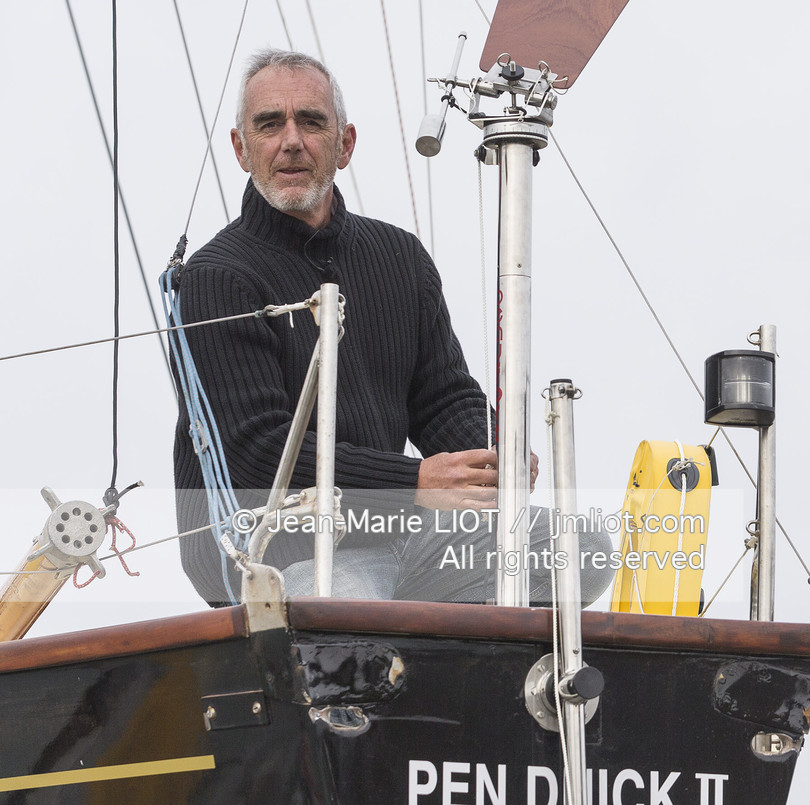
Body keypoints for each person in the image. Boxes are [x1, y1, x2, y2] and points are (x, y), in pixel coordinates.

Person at [173, 48, 610, 606]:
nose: (291, 140)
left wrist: (492, 456)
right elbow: (254, 457)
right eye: (268, 124)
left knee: (583, 552)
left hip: (399, 537)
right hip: (276, 557)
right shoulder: (214, 278)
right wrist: (414, 485)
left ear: (345, 144)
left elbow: (443, 399)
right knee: (345, 612)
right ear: (241, 148)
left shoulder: (399, 256)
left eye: (311, 122)